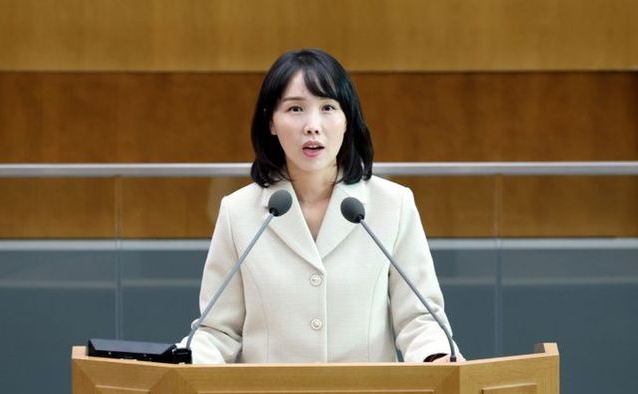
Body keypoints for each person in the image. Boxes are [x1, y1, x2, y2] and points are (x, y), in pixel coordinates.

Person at [182, 49, 463, 364]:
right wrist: (187, 361)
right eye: (295, 108)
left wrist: (436, 356)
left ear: (347, 120)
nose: (312, 126)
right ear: (271, 121)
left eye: (328, 107)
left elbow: (419, 318)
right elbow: (217, 330)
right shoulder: (238, 212)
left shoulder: (393, 205)